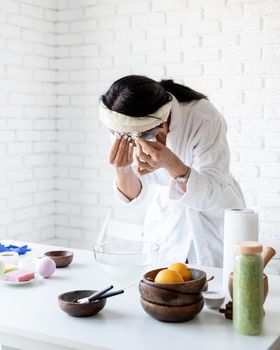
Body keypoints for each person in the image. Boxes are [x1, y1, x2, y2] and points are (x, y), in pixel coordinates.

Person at [99, 75, 245, 267]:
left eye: (140, 132)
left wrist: (171, 163)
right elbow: (134, 196)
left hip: (214, 212)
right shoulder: (125, 125)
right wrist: (122, 170)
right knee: (163, 284)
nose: (133, 139)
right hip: (167, 224)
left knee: (216, 286)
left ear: (161, 117)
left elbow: (213, 192)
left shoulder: (202, 117)